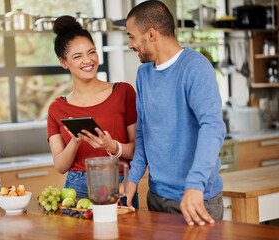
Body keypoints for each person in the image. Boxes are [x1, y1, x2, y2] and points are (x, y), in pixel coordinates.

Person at [120, 1, 227, 225]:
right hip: (157, 198)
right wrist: (132, 179)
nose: (130, 44)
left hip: (197, 198)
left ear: (151, 34)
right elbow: (143, 133)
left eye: (131, 36)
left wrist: (195, 185)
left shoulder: (194, 67)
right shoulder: (144, 74)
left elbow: (213, 127)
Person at [47, 15, 139, 208]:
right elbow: (61, 166)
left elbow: (139, 150)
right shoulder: (57, 108)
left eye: (91, 52)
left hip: (118, 183)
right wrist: (75, 140)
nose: (88, 60)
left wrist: (113, 145)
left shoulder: (123, 92)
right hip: (76, 187)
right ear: (64, 62)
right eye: (77, 56)